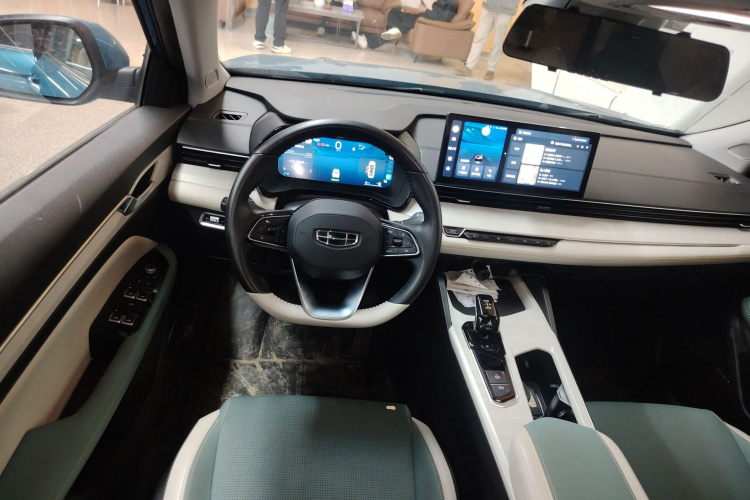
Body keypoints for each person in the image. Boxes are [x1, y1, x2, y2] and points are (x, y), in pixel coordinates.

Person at [355, 0, 457, 50]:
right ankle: (391, 33)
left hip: (425, 21)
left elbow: (442, 19)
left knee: (401, 24)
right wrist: (424, 9)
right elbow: (436, 13)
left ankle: (370, 41)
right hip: (422, 16)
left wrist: (425, 10)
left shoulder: (453, 2)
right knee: (394, 12)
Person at [456, 0, 517, 80]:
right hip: (488, 7)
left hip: (506, 10)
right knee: (478, 38)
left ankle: (490, 70)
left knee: (497, 42)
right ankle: (468, 67)